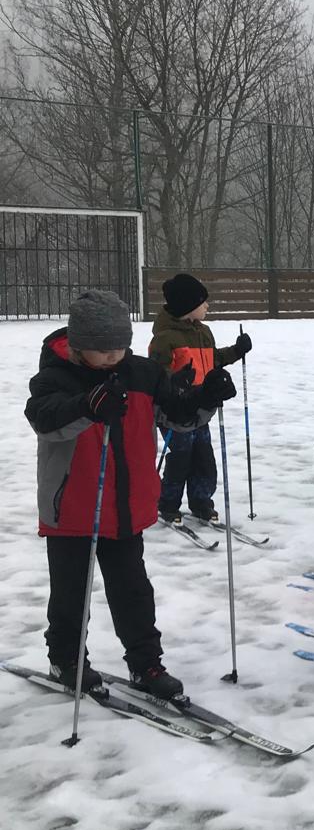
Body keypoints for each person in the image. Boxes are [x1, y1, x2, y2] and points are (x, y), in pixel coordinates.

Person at [26, 289, 236, 697]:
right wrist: (87, 406)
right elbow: (45, 421)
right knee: (70, 595)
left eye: (119, 347)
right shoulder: (54, 378)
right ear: (79, 344)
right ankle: (66, 659)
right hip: (72, 509)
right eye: (102, 349)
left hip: (126, 508)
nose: (112, 357)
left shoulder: (142, 373)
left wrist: (206, 397)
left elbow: (177, 416)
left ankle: (146, 664)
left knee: (134, 592)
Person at [147, 273, 250, 525]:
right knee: (181, 459)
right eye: (203, 302)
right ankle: (168, 504)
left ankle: (201, 502)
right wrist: (175, 382)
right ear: (188, 306)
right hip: (176, 412)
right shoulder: (164, 338)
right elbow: (156, 376)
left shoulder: (204, 332)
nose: (207, 306)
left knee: (204, 459)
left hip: (202, 408)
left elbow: (214, 360)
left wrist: (237, 351)